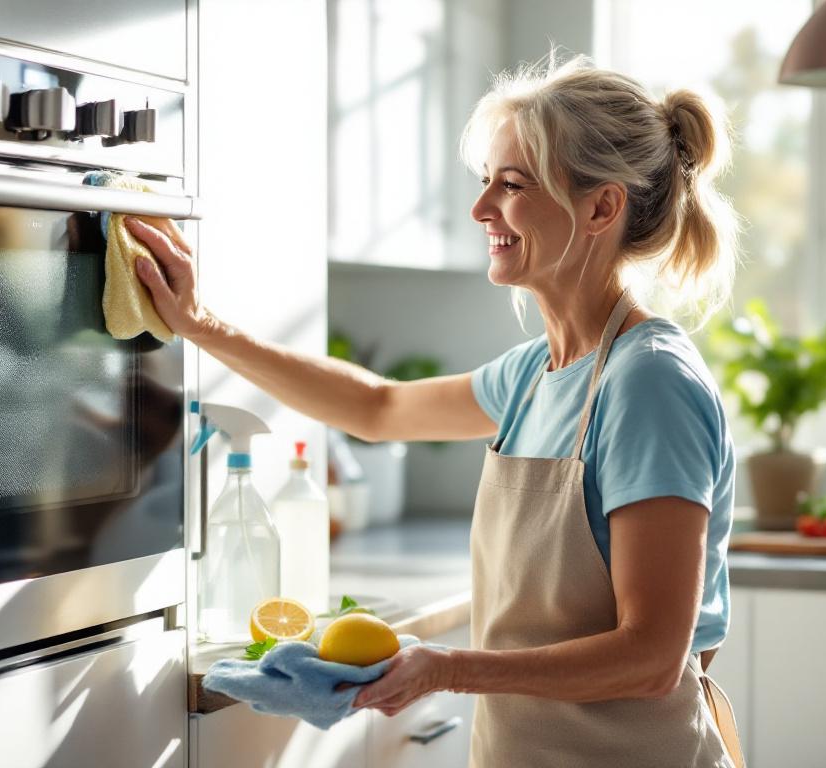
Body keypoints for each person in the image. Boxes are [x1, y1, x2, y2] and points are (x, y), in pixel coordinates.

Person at [127, 55, 739, 767]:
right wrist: (201, 324)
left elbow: (651, 659)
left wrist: (446, 668)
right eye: (486, 183)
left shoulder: (648, 383)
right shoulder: (536, 375)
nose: (482, 210)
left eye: (512, 186)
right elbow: (376, 407)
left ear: (601, 207)